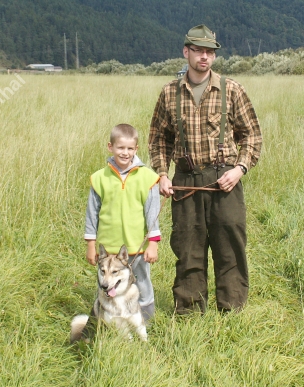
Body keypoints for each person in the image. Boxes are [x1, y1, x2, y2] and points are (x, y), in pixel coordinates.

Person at [148, 24, 262, 314]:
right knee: (188, 248)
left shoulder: (231, 90)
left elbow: (252, 136)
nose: (204, 57)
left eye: (209, 52)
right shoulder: (169, 93)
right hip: (185, 182)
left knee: (230, 247)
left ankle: (232, 310)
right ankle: (188, 312)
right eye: (198, 50)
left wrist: (238, 170)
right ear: (186, 52)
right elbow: (159, 139)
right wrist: (162, 174)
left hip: (224, 179)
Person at [85, 123, 161, 321]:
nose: (125, 153)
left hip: (137, 247)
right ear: (110, 147)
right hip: (108, 249)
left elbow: (152, 215)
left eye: (129, 149)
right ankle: (110, 324)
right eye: (120, 148)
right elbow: (91, 214)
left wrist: (153, 244)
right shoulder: (99, 178)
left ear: (136, 149)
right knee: (108, 283)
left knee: (141, 284)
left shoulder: (148, 178)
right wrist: (91, 245)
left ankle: (144, 322)